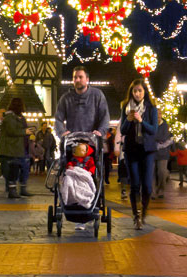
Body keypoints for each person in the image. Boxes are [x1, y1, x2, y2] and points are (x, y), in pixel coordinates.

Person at [119, 78, 159, 229]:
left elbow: (154, 130)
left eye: (140, 90)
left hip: (147, 150)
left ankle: (144, 212)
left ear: (144, 92)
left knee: (147, 186)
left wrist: (141, 120)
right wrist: (129, 120)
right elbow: (122, 130)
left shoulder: (151, 108)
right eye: (134, 91)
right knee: (135, 184)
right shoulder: (125, 107)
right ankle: (136, 216)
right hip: (131, 150)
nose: (137, 94)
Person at [54, 65, 111, 147]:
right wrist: (62, 133)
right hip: (72, 143)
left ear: (87, 79)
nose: (77, 80)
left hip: (92, 142)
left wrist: (100, 132)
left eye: (80, 77)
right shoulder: (65, 98)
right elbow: (58, 119)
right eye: (75, 77)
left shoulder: (98, 95)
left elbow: (105, 117)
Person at [0, 96, 29, 199]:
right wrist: (25, 132)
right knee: (13, 169)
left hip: (16, 148)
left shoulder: (16, 117)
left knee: (16, 169)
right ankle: (12, 190)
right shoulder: (10, 117)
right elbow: (12, 131)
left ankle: (14, 189)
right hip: (11, 148)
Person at [154, 122, 173, 199]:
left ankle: (160, 189)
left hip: (163, 154)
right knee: (151, 172)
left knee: (161, 172)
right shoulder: (151, 123)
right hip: (151, 152)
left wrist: (156, 138)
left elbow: (164, 139)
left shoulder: (165, 127)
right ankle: (152, 192)